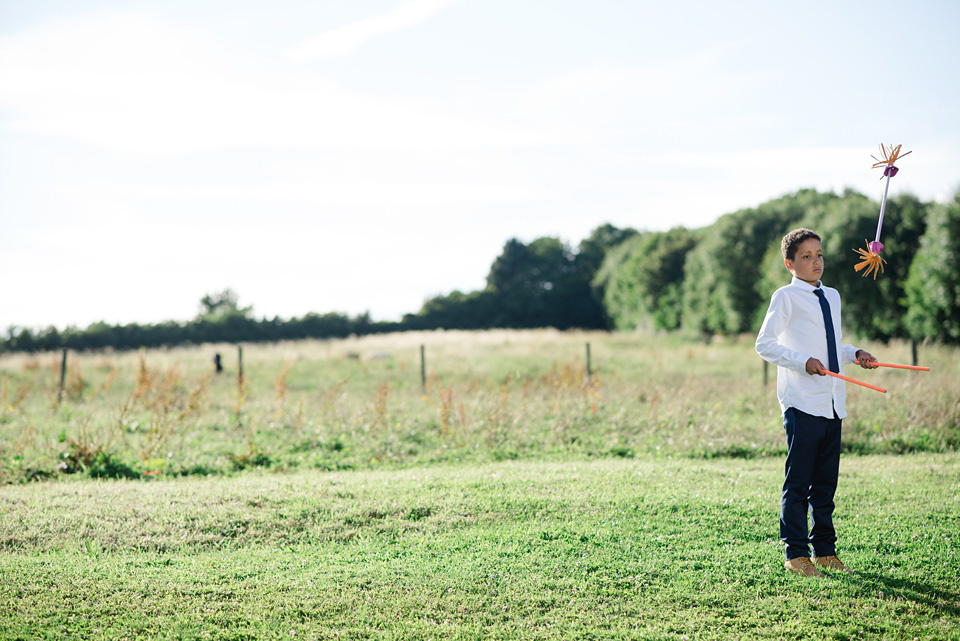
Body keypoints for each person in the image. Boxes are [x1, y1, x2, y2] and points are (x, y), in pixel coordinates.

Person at [755, 228, 879, 578]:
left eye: (819, 254)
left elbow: (830, 348)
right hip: (802, 402)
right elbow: (764, 344)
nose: (815, 262)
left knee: (825, 484)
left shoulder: (833, 296)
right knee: (799, 483)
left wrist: (854, 353)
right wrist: (802, 360)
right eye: (806, 257)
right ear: (789, 263)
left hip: (833, 403)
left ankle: (825, 551)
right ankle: (796, 553)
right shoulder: (786, 297)